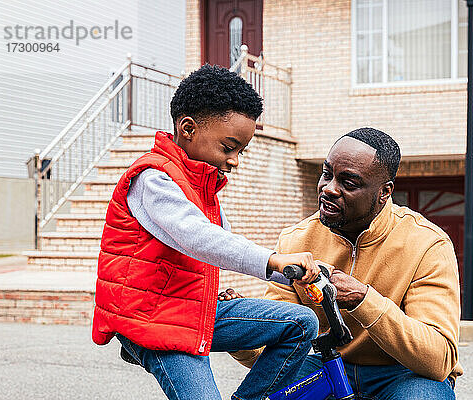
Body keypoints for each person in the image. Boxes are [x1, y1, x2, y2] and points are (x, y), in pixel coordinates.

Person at [92, 64, 322, 400]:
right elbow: (201, 239)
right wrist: (273, 260)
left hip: (192, 308)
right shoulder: (153, 179)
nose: (235, 161)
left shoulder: (203, 185)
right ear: (188, 128)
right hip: (154, 318)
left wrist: (294, 275)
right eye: (229, 147)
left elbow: (222, 245)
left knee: (301, 323)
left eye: (241, 150)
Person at [227, 127, 462, 399]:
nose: (328, 189)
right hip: (328, 364)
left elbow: (437, 359)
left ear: (384, 193)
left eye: (348, 184)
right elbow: (277, 356)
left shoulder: (427, 244)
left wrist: (363, 299)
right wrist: (243, 334)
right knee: (267, 391)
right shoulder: (296, 240)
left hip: (404, 373)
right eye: (327, 174)